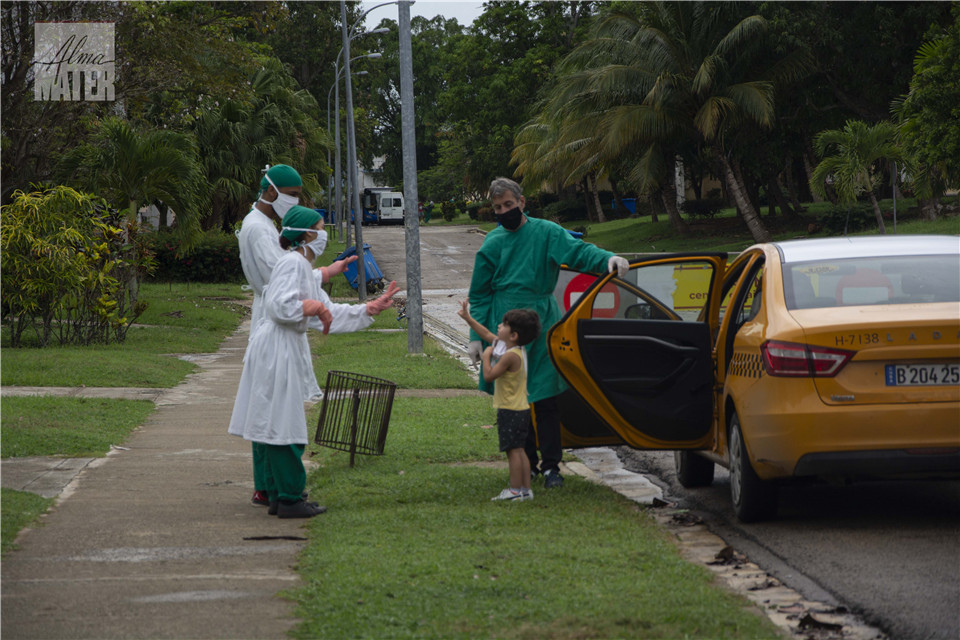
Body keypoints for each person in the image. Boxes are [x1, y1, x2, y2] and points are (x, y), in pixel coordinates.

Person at [229, 206, 399, 518]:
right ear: (309, 234)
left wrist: (368, 309)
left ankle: (280, 495)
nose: (324, 235)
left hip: (281, 347)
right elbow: (279, 306)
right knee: (284, 426)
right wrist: (307, 307)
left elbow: (327, 312)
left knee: (274, 423)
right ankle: (290, 498)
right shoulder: (293, 264)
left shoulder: (300, 268)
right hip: (276, 349)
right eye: (321, 228)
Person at [467, 177, 630, 489]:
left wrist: (606, 259)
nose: (504, 211)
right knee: (516, 401)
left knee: (545, 398)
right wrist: (477, 336)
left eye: (509, 205)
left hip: (541, 325)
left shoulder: (546, 233)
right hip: (505, 326)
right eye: (498, 207)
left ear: (522, 202)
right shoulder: (492, 244)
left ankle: (553, 466)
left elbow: (578, 251)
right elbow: (479, 293)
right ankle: (527, 465)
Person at [237, 164, 357, 508]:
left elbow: (288, 275)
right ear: (271, 191)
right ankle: (276, 488)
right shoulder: (260, 230)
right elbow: (285, 276)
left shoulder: (260, 224)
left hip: (272, 321)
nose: (295, 202)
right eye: (292, 195)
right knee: (278, 417)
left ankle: (271, 486)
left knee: (265, 411)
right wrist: (320, 277)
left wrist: (320, 274)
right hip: (275, 327)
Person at [459, 302, 541, 501]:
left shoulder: (509, 357)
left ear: (513, 335)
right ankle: (525, 490)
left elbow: (489, 376)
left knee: (512, 452)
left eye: (504, 325)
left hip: (510, 410)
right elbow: (487, 334)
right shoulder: (514, 349)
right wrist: (468, 318)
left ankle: (514, 490)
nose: (499, 326)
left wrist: (486, 355)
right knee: (520, 450)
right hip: (521, 409)